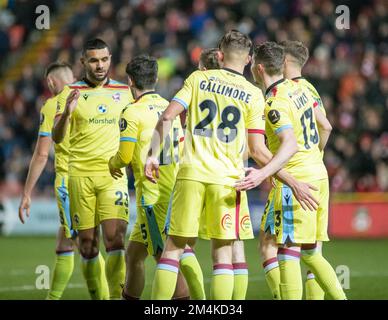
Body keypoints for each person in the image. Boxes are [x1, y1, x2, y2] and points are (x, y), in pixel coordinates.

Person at [237, 41, 346, 300]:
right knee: (310, 252)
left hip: (295, 181)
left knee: (287, 250)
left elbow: (290, 143)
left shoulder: (274, 102)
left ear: (259, 68)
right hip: (318, 174)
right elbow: (326, 127)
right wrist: (313, 157)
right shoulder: (303, 88)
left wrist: (263, 173)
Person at [108, 54, 204, 300]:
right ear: (157, 78)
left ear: (130, 81)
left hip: (151, 199)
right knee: (134, 255)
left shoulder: (132, 112)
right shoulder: (169, 107)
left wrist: (111, 163)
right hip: (172, 191)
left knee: (165, 259)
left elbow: (125, 156)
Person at [18, 62, 108, 300]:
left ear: (50, 83)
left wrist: (26, 193)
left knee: (86, 246)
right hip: (98, 179)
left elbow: (41, 154)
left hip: (69, 182)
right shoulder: (94, 95)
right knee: (66, 241)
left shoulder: (51, 105)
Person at [52, 38, 133, 299]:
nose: (100, 65)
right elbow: (56, 137)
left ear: (110, 59)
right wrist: (66, 113)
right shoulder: (69, 92)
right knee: (87, 247)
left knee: (116, 241)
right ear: (83, 62)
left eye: (105, 59)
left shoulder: (125, 91)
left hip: (113, 176)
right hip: (80, 177)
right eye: (94, 60)